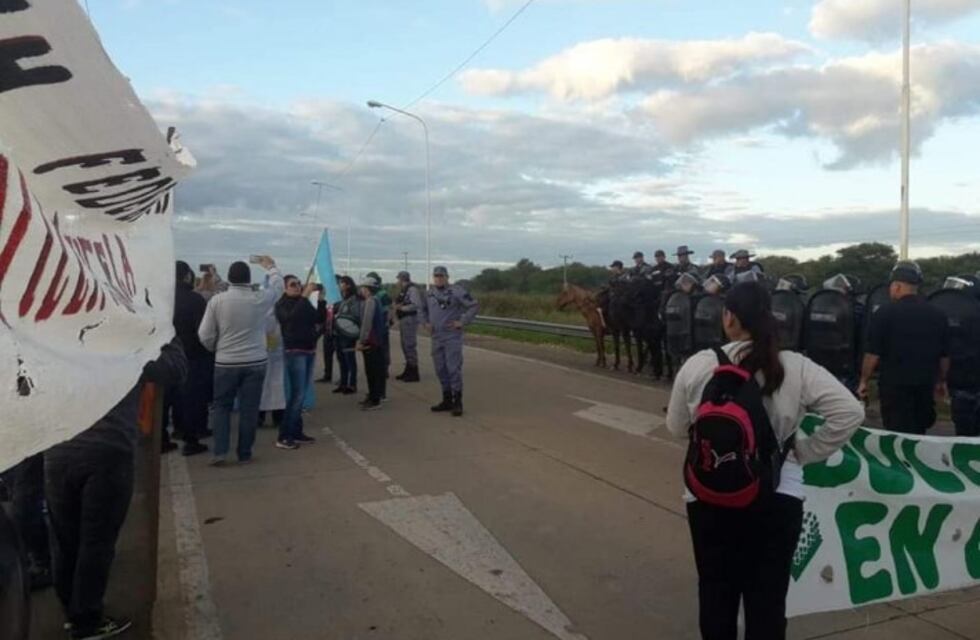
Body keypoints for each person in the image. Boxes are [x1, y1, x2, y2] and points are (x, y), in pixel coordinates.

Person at [666, 282, 863, 640]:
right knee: (767, 598)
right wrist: (804, 451)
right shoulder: (796, 367)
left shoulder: (698, 364)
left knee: (715, 589)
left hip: (708, 493)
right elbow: (850, 412)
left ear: (728, 317)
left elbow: (676, 427)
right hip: (777, 493)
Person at [46, 339, 188, 639]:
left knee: (65, 539)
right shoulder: (124, 340)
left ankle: (72, 611)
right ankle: (86, 621)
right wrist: (166, 332)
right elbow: (174, 369)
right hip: (107, 450)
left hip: (58, 449)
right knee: (96, 541)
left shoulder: (57, 336)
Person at [198, 256, 284, 465]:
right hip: (255, 361)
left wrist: (216, 348)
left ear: (229, 278)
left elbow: (205, 334)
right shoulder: (259, 298)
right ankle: (244, 453)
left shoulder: (217, 301)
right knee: (249, 409)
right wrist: (271, 267)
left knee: (221, 407)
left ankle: (220, 452)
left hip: (226, 362)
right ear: (248, 278)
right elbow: (278, 287)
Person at [859, 261, 950, 434]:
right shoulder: (938, 314)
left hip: (894, 388)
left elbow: (872, 354)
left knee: (896, 434)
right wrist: (941, 381)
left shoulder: (883, 313)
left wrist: (864, 380)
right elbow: (944, 356)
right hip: (924, 385)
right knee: (919, 431)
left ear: (897, 286)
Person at [421, 266, 480, 417]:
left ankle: (457, 401)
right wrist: (425, 323)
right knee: (440, 369)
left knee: (453, 369)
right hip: (436, 337)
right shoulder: (429, 293)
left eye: (441, 276)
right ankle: (446, 399)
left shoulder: (457, 291)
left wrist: (462, 321)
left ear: (447, 277)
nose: (439, 279)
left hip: (451, 336)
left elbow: (473, 305)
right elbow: (422, 310)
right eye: (436, 276)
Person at [275, 275, 325, 448]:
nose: (297, 287)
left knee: (300, 395)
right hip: (295, 351)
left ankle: (296, 431)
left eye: (298, 284)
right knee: (297, 395)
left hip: (308, 349)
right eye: (292, 284)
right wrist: (304, 296)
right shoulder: (282, 304)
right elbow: (291, 319)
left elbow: (318, 318)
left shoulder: (303, 303)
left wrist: (321, 300)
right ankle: (284, 435)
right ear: (285, 288)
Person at [168, 261, 210, 457]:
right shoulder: (195, 300)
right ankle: (191, 439)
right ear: (187, 276)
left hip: (167, 354)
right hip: (192, 354)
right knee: (192, 398)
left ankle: (166, 436)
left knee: (170, 396)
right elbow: (204, 330)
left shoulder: (164, 298)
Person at [4, 454, 51, 590]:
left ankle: (43, 563)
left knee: (24, 506)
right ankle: (37, 560)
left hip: (24, 453)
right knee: (19, 500)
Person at [356, 276, 386, 410]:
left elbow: (366, 323)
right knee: (375, 370)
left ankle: (375, 399)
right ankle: (374, 395)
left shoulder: (370, 301)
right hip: (377, 340)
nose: (361, 290)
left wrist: (361, 340)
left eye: (362, 287)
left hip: (371, 342)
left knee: (372, 371)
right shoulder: (376, 300)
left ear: (367, 289)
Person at [333, 276, 361, 395]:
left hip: (348, 333)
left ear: (348, 285)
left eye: (341, 283)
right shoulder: (343, 298)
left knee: (349, 359)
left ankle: (352, 385)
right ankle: (343, 383)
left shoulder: (354, 299)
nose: (339, 285)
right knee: (341, 359)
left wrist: (340, 316)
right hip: (339, 332)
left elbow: (355, 315)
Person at [259, 307, 286, 430]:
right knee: (275, 386)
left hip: (273, 351)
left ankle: (266, 416)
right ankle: (275, 417)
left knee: (274, 386)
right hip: (268, 351)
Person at [394, 271, 423, 382]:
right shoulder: (404, 290)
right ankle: (408, 370)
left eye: (398, 279)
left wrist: (402, 308)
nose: (397, 282)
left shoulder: (412, 290)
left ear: (402, 279)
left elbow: (416, 305)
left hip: (410, 320)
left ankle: (414, 372)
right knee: (405, 345)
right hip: (404, 319)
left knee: (409, 345)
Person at [367, 271, 392, 381]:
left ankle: (384, 369)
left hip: (381, 325)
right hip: (376, 325)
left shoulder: (382, 294)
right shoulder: (375, 294)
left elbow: (388, 309)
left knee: (383, 347)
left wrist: (387, 322)